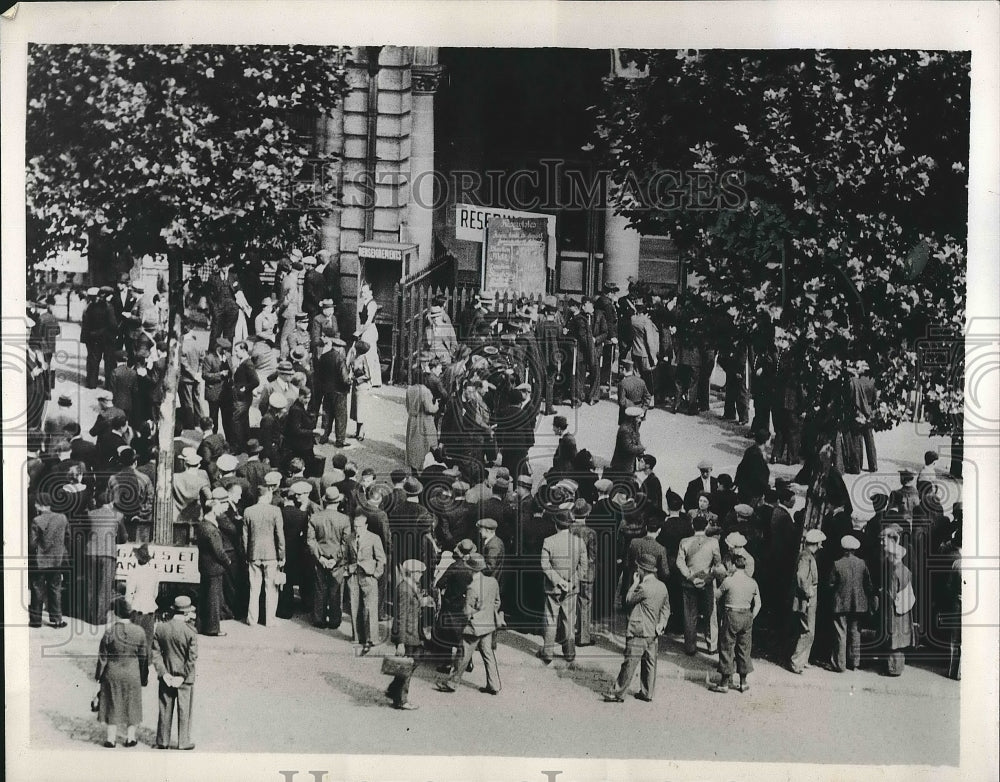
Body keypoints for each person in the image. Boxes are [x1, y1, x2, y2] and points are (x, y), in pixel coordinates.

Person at [603, 551, 670, 703]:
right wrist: (662, 623)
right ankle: (647, 693)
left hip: (639, 630)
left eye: (638, 568)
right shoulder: (662, 587)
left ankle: (618, 693)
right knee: (650, 663)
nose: (637, 571)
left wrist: (634, 583)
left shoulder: (643, 587)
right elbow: (666, 608)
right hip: (654, 631)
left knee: (629, 663)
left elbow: (627, 600)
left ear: (642, 569)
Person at [436, 553, 503, 695]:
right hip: (488, 625)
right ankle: (494, 685)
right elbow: (497, 602)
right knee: (488, 655)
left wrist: (474, 615)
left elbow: (466, 611)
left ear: (471, 570)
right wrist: (487, 613)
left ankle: (452, 683)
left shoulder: (472, 587)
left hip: (474, 626)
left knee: (462, 655)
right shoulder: (492, 582)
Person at [95, 597, 148, 748]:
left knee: (112, 702)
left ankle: (110, 739)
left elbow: (102, 658)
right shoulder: (139, 632)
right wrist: (143, 677)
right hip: (132, 672)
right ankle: (130, 738)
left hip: (112, 671)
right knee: (132, 703)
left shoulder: (110, 632)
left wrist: (98, 677)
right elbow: (144, 657)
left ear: (115, 613)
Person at [538, 506, 588, 664]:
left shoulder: (548, 541)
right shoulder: (579, 543)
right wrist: (570, 582)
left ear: (556, 524)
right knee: (569, 620)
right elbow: (583, 567)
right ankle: (569, 652)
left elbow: (544, 565)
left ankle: (547, 652)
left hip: (553, 588)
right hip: (572, 589)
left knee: (550, 619)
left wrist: (558, 581)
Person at [150, 595, 198, 750]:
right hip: (185, 679)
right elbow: (192, 658)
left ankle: (162, 741)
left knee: (164, 708)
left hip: (167, 676)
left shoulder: (162, 628)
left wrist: (163, 673)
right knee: (184, 710)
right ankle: (183, 742)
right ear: (186, 613)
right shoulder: (190, 631)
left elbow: (155, 653)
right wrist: (183, 675)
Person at [709, 554, 761, 693]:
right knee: (744, 648)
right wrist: (751, 617)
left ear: (733, 565)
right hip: (746, 615)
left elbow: (716, 595)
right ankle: (743, 683)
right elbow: (758, 604)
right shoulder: (752, 582)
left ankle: (724, 683)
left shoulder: (728, 581)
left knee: (727, 646)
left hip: (731, 614)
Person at [387, 559, 433, 709]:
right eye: (418, 572)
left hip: (413, 632)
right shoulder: (405, 589)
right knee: (408, 665)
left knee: (412, 662)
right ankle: (401, 700)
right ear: (410, 573)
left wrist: (423, 602)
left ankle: (394, 689)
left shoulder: (410, 586)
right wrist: (400, 642)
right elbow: (400, 616)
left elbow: (413, 605)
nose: (420, 575)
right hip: (407, 634)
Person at [828, 534, 875, 672]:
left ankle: (839, 664)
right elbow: (869, 584)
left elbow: (830, 584)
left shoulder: (837, 564)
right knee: (855, 633)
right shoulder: (862, 563)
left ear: (843, 549)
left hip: (840, 603)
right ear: (855, 549)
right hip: (858, 604)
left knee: (840, 633)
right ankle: (854, 663)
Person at [677, 514, 722, 655]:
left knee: (690, 615)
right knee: (710, 614)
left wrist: (690, 576)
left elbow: (680, 562)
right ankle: (712, 646)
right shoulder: (713, 543)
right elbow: (717, 564)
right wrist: (708, 578)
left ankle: (690, 646)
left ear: (692, 526)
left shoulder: (684, 541)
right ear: (706, 526)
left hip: (689, 583)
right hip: (707, 583)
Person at [306, 486, 350, 629]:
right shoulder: (344, 519)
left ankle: (319, 618)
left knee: (320, 588)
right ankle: (334, 620)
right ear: (338, 502)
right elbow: (346, 543)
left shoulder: (314, 517)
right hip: (337, 560)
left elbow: (311, 541)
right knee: (336, 589)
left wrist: (321, 558)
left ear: (325, 501)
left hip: (320, 558)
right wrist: (335, 559)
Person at [243, 483, 286, 627]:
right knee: (271, 589)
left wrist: (247, 554)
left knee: (254, 588)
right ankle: (270, 620)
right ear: (268, 494)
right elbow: (280, 535)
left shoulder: (248, 511)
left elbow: (245, 537)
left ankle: (252, 619)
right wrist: (282, 555)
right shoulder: (275, 511)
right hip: (271, 554)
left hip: (253, 554)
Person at [346, 510, 386, 653]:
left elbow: (381, 559)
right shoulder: (349, 538)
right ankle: (357, 637)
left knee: (370, 608)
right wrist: (347, 570)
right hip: (353, 575)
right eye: (355, 526)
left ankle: (372, 638)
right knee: (354, 606)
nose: (357, 529)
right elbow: (346, 557)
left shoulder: (374, 538)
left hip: (368, 576)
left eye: (360, 526)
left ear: (366, 525)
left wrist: (376, 574)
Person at [788, 529, 826, 673]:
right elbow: (801, 576)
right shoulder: (806, 557)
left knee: (809, 629)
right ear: (816, 543)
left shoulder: (808, 555)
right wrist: (807, 591)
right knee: (807, 630)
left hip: (809, 597)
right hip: (807, 598)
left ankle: (803, 660)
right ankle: (796, 662)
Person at [28, 493, 69, 629]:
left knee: (37, 588)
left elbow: (32, 544)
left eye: (36, 503)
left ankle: (35, 621)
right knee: (55, 588)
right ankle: (57, 620)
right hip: (57, 560)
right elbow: (67, 537)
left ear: (40, 504)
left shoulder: (37, 520)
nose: (34, 506)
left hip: (40, 561)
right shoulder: (62, 518)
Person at [195, 496, 230, 636]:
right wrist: (228, 561)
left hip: (204, 566)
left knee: (204, 596)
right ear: (213, 509)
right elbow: (219, 551)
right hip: (214, 567)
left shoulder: (202, 525)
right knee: (213, 599)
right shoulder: (211, 529)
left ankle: (200, 625)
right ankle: (213, 628)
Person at [883, 539, 916, 676]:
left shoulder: (894, 572)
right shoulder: (906, 570)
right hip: (905, 609)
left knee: (893, 637)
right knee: (902, 637)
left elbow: (891, 594)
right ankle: (900, 666)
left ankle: (893, 668)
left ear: (893, 556)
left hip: (894, 609)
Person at [124, 542, 161, 650]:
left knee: (134, 639)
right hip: (150, 609)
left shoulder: (133, 572)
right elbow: (155, 593)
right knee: (147, 639)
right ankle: (147, 662)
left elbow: (129, 593)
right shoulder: (154, 573)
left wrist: (129, 607)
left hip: (137, 609)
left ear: (137, 558)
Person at [405, 371, 439, 473]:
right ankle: (424, 468)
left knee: (412, 445)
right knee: (424, 445)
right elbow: (429, 408)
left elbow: (407, 406)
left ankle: (413, 468)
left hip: (412, 420)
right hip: (423, 421)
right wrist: (437, 405)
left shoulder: (409, 389)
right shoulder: (425, 391)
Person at [356, 282, 382, 388]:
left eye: (366, 292)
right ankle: (372, 379)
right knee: (368, 355)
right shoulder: (365, 302)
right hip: (366, 330)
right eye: (362, 292)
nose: (363, 294)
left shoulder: (372, 304)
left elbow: (368, 321)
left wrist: (359, 332)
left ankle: (373, 380)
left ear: (370, 292)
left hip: (369, 330)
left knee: (370, 355)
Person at [617, 358, 652, 423]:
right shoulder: (641, 381)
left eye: (620, 369)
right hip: (639, 413)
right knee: (636, 431)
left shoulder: (622, 383)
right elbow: (648, 397)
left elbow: (622, 401)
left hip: (626, 414)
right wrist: (642, 410)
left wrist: (633, 409)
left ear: (624, 369)